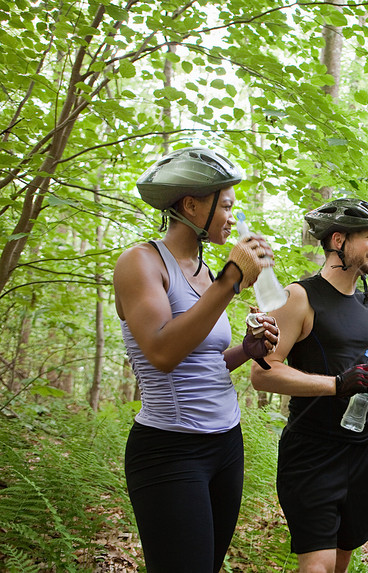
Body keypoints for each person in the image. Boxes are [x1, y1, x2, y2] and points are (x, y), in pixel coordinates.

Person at [114, 146, 281, 572]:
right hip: (171, 449)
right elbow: (163, 352)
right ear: (191, 205)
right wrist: (231, 279)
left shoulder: (206, 274)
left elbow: (203, 360)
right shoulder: (142, 262)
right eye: (225, 205)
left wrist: (249, 349)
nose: (232, 215)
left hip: (226, 444)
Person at [250, 197, 368, 573]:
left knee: (340, 563)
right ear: (338, 241)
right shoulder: (300, 296)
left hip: (361, 453)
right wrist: (336, 384)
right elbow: (263, 373)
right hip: (312, 452)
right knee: (317, 565)